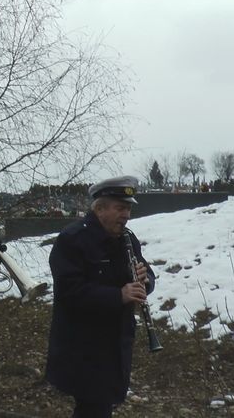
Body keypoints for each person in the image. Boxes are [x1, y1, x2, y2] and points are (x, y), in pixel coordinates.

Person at [45, 176, 156, 418]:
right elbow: (70, 292)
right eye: (120, 208)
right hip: (83, 347)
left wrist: (145, 281)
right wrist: (119, 295)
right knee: (93, 408)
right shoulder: (72, 239)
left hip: (116, 343)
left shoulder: (127, 238)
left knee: (98, 407)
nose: (126, 214)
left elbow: (148, 275)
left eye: (128, 208)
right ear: (100, 208)